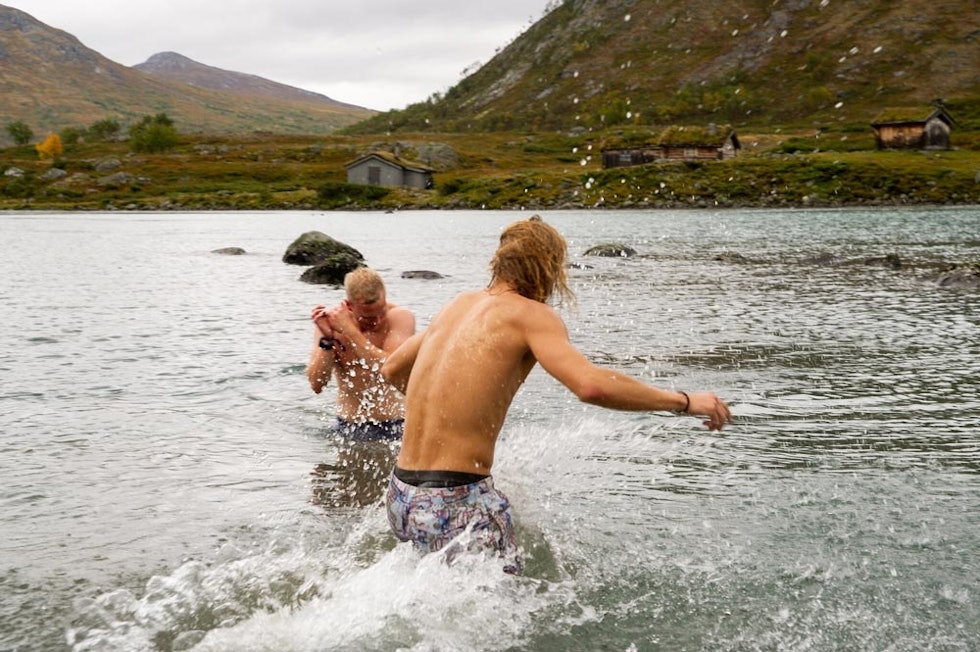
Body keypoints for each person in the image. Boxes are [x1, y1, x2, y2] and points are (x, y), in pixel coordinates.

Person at [381, 216, 732, 573]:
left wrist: (447, 407)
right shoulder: (532, 315)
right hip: (457, 500)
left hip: (401, 493)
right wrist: (684, 401)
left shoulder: (457, 305)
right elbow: (590, 385)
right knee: (508, 617)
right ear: (548, 266)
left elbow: (391, 369)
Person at [307, 267, 416, 442]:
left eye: (381, 312)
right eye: (368, 317)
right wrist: (327, 341)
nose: (377, 321)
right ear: (349, 306)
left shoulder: (400, 317)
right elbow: (316, 384)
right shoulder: (331, 324)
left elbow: (389, 368)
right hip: (349, 426)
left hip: (396, 424)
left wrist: (350, 331)